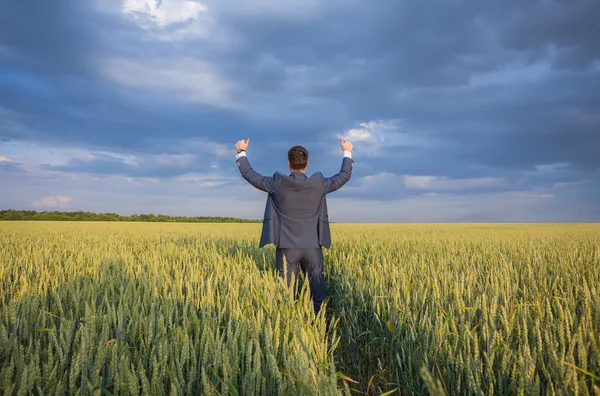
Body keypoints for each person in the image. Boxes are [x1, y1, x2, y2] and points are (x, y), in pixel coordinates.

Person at [234, 138, 354, 314]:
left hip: (287, 248)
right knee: (318, 293)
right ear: (307, 164)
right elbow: (344, 176)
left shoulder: (277, 183)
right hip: (313, 248)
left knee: (286, 294)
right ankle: (318, 327)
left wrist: (241, 152)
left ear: (289, 164)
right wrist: (347, 151)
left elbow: (250, 175)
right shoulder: (319, 183)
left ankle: (289, 327)